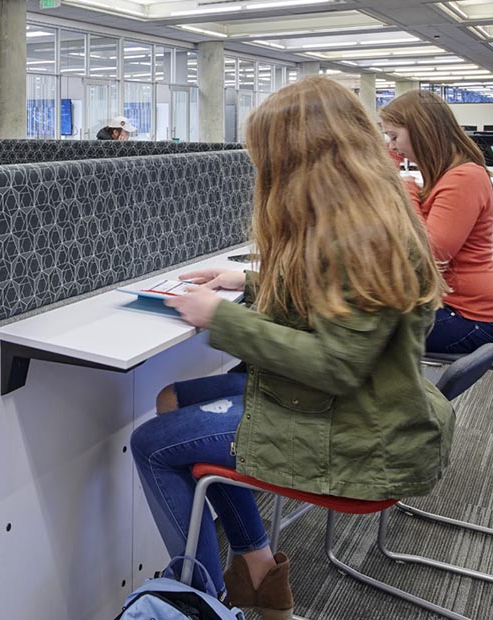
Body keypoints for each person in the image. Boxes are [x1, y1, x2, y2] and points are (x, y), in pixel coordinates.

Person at [129, 77, 453, 619]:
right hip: (360, 410)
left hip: (358, 433)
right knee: (173, 399)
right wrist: (246, 285)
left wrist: (221, 318)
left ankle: (201, 604)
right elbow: (336, 306)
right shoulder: (364, 214)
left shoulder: (361, 235)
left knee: (153, 445)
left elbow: (337, 364)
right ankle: (257, 571)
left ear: (301, 157)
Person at [381, 90, 493, 355]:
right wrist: (393, 163)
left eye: (395, 136)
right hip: (451, 303)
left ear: (422, 131)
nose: (391, 145)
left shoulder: (464, 178)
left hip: (470, 317)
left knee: (368, 332)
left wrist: (406, 190)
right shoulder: (445, 176)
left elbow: (429, 254)